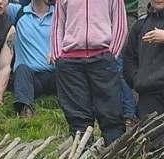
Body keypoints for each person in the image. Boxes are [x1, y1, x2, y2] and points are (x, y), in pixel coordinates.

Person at [50, 0, 128, 143]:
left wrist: (112, 55)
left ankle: (115, 152)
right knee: (77, 113)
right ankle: (82, 154)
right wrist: (58, 56)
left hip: (102, 55)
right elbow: (57, 25)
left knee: (110, 110)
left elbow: (120, 25)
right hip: (70, 60)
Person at [5, 0, 56, 117]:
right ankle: (25, 109)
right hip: (29, 77)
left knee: (68, 68)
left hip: (54, 74)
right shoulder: (18, 12)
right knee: (21, 69)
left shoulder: (60, 14)